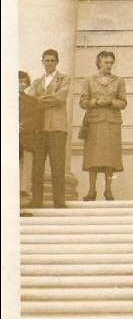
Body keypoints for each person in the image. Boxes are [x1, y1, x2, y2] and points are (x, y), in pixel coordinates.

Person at [79, 51, 127, 201]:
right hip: (94, 122)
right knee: (93, 158)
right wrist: (96, 102)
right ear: (99, 62)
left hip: (112, 122)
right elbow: (82, 102)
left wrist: (112, 102)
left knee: (110, 158)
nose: (109, 65)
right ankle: (91, 190)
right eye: (106, 62)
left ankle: (108, 190)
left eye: (111, 62)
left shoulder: (119, 81)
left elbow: (123, 102)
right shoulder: (89, 80)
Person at [30, 49, 71, 208]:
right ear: (42, 62)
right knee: (37, 166)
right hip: (39, 128)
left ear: (57, 62)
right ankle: (36, 200)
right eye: (46, 60)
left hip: (57, 128)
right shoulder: (37, 82)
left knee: (57, 165)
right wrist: (46, 99)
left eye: (52, 60)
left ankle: (59, 201)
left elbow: (60, 98)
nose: (49, 63)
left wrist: (40, 100)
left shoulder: (64, 78)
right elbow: (30, 100)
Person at [19, 71, 43, 213]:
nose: (21, 84)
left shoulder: (33, 101)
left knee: (26, 170)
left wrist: (23, 126)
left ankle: (23, 200)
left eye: (23, 82)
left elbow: (37, 120)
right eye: (18, 81)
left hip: (27, 139)